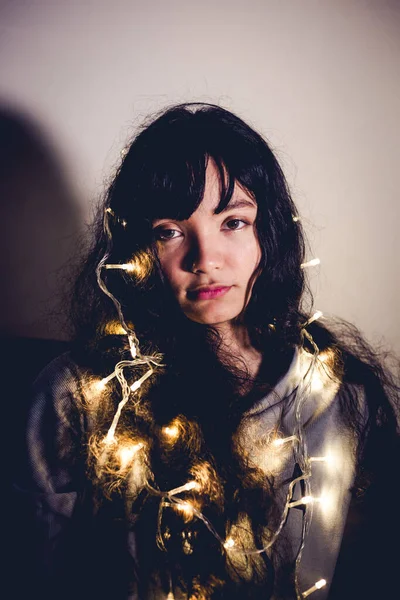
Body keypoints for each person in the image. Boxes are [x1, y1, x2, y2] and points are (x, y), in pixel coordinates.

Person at [15, 103, 399, 600]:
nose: (205, 259)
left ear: (270, 230)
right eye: (169, 232)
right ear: (137, 247)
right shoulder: (77, 399)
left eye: (233, 222)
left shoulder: (342, 396)